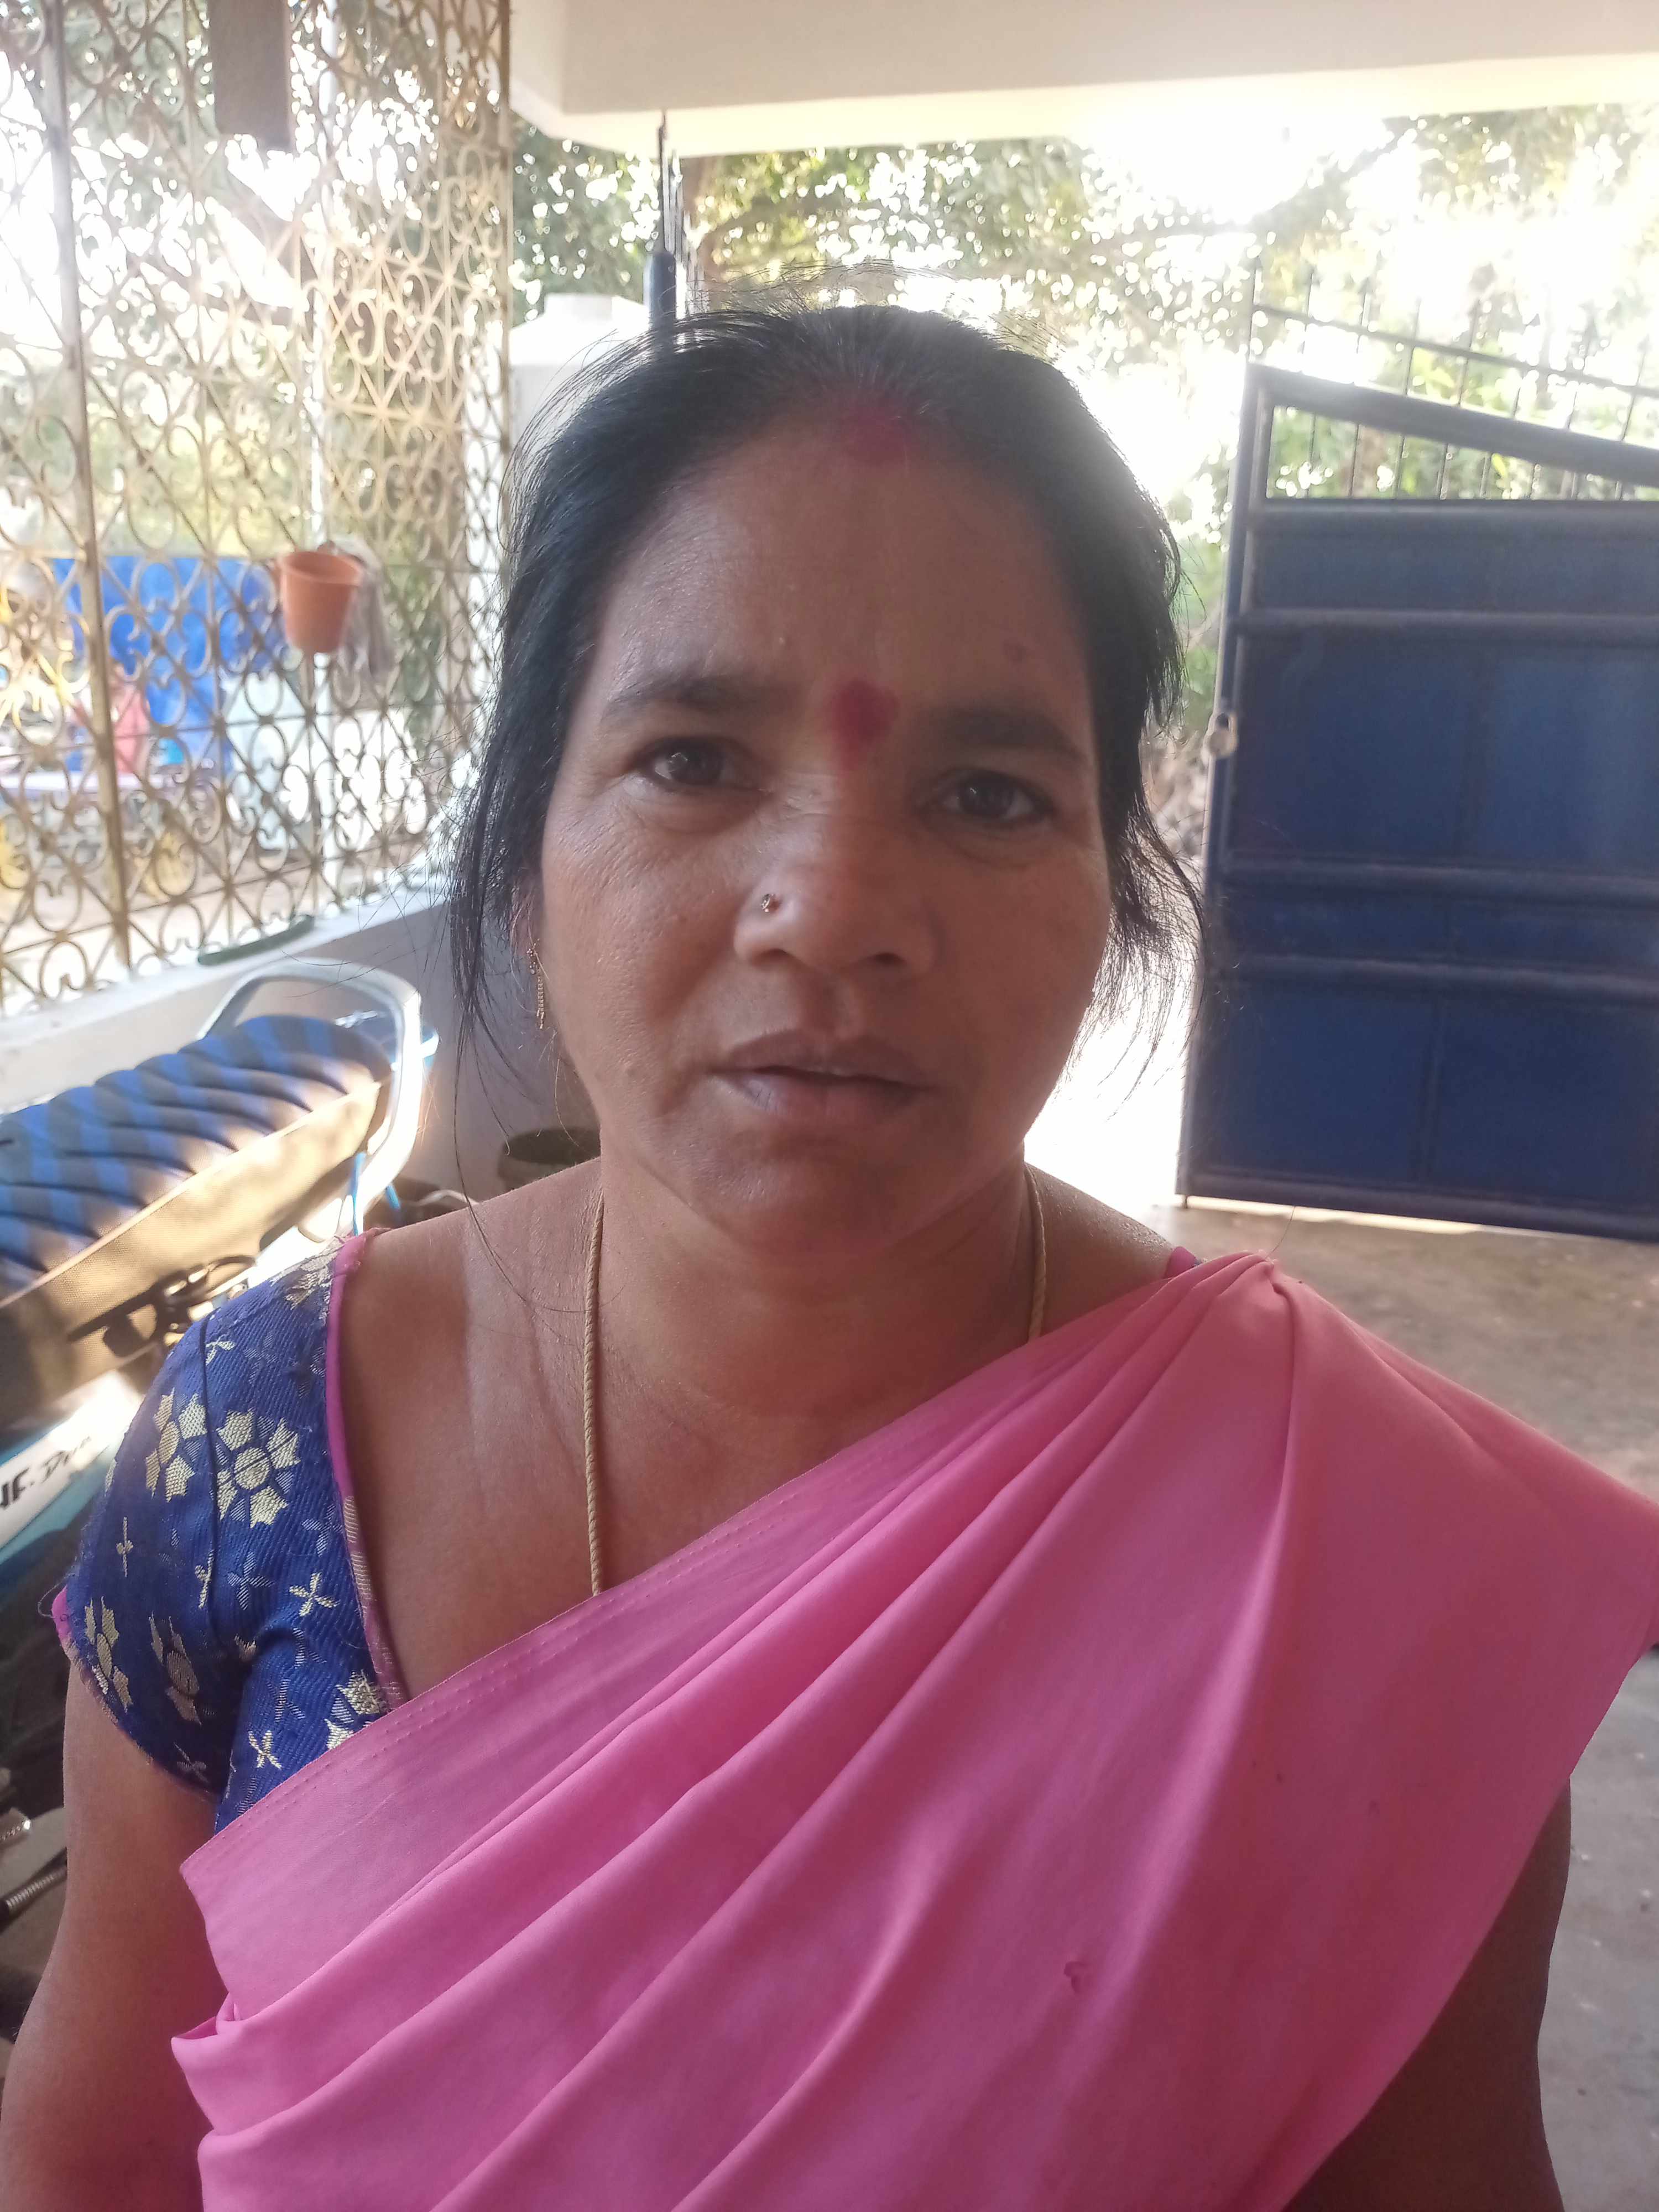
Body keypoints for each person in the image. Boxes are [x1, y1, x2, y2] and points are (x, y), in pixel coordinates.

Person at [5, 304, 1656, 2211]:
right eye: (695, 758)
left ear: (1114, 899)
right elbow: (98, 2150)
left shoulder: (1358, 1560)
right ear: (527, 866)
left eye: (987, 794)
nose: (835, 908)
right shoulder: (266, 1448)